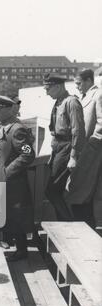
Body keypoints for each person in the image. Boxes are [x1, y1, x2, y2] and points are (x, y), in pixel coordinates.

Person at [0, 94, 35, 261]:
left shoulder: (17, 129)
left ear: (9, 109)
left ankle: (21, 251)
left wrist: (7, 172)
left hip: (12, 183)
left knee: (15, 216)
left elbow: (28, 154)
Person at [43, 73, 85, 221]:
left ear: (59, 86)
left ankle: (69, 224)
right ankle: (63, 224)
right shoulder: (59, 102)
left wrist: (73, 157)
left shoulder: (71, 102)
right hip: (58, 149)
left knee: (52, 190)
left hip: (67, 148)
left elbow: (78, 130)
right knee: (56, 190)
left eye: (48, 88)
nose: (46, 93)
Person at [67, 69, 102, 227]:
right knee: (80, 192)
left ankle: (89, 230)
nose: (77, 87)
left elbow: (101, 123)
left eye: (79, 83)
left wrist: (91, 145)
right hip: (83, 151)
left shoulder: (98, 95)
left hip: (92, 151)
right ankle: (85, 228)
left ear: (89, 80)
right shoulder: (83, 97)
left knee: (84, 193)